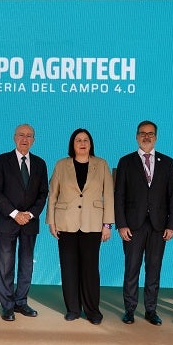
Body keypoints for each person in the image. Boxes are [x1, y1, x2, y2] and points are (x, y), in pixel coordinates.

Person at [46, 128, 113, 325]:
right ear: (72, 144)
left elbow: (108, 195)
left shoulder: (101, 165)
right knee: (69, 268)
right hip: (66, 223)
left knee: (90, 269)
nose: (82, 143)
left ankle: (93, 311)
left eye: (85, 140)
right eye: (78, 140)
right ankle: (73, 309)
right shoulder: (61, 165)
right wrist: (52, 221)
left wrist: (107, 224)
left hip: (92, 224)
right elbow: (53, 195)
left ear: (90, 144)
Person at [114, 120, 173, 326]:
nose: (147, 137)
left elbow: (172, 197)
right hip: (132, 226)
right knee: (131, 268)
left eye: (150, 134)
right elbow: (119, 195)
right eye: (142, 133)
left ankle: (151, 310)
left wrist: (171, 225)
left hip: (159, 227)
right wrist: (121, 224)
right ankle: (130, 310)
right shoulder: (126, 161)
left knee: (154, 269)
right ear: (136, 136)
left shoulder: (167, 162)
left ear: (156, 137)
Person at [0, 124, 49, 322]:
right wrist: (15, 213)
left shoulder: (40, 163)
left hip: (30, 223)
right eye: (21, 135)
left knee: (26, 265)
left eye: (29, 136)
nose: (25, 139)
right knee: (6, 264)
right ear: (14, 137)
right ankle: (7, 306)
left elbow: (43, 194)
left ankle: (21, 302)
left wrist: (30, 214)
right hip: (7, 221)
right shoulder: (1, 160)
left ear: (34, 140)